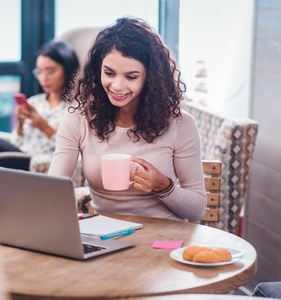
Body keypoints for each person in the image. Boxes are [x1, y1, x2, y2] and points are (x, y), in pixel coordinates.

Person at [48, 18, 207, 222]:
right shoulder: (78, 120)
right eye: (109, 73)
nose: (117, 86)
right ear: (98, 72)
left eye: (131, 77)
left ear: (150, 78)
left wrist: (164, 186)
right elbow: (53, 186)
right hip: (107, 237)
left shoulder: (180, 124)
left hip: (164, 239)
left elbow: (197, 211)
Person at [0, 40, 80, 171]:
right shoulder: (34, 102)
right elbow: (15, 144)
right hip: (20, 157)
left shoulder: (76, 109)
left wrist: (46, 128)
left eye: (50, 71)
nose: (43, 78)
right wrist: (19, 125)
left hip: (40, 164)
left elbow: (75, 154)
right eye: (39, 72)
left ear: (68, 69)